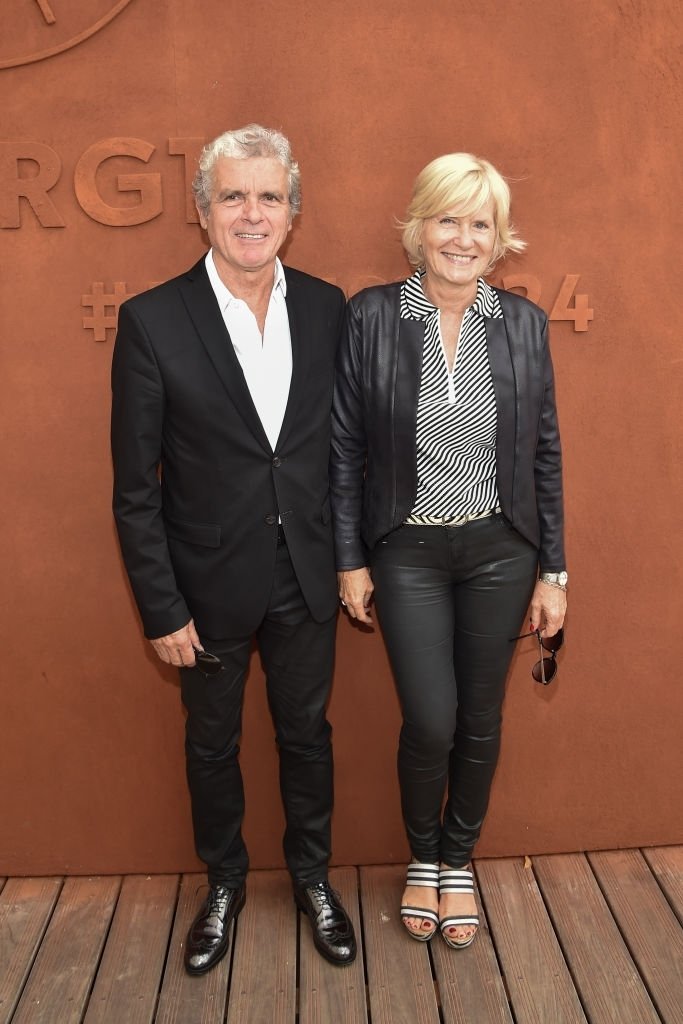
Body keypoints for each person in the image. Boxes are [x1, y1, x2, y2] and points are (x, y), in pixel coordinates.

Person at [111, 124, 356, 974]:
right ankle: (223, 884)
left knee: (307, 737)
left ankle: (314, 879)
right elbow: (135, 486)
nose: (251, 214)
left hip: (307, 576)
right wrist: (161, 604)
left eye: (269, 197)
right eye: (233, 196)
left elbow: (342, 451)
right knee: (210, 745)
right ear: (202, 209)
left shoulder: (329, 308)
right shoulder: (149, 321)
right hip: (205, 586)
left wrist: (350, 555)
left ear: (292, 210)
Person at [330, 153, 567, 949]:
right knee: (430, 721)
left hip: (502, 551)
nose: (460, 238)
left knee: (481, 716)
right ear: (418, 227)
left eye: (478, 224)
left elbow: (542, 454)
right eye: (446, 219)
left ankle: (455, 859)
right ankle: (421, 856)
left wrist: (554, 571)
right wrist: (348, 559)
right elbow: (344, 451)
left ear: (498, 239)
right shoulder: (370, 318)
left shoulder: (523, 325)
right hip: (408, 556)